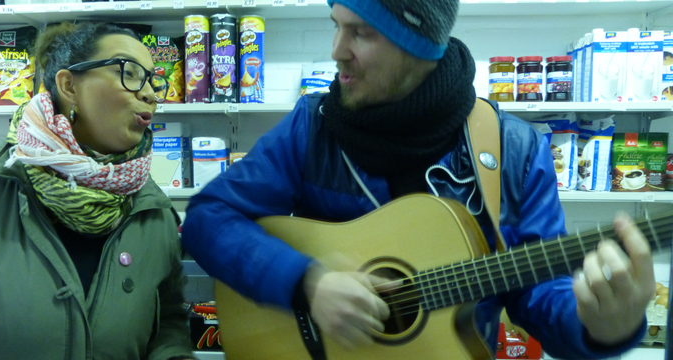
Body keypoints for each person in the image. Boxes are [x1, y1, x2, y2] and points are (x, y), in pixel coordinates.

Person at [182, 0, 656, 358]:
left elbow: (539, 296)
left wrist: (606, 325)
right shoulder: (314, 126)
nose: (336, 52)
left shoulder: (513, 152)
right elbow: (207, 218)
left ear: (417, 42)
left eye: (360, 33)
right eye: (336, 27)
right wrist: (306, 282)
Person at [0, 22, 194, 360]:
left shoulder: (152, 210)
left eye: (152, 80)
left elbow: (167, 326)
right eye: (129, 72)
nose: (149, 94)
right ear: (69, 86)